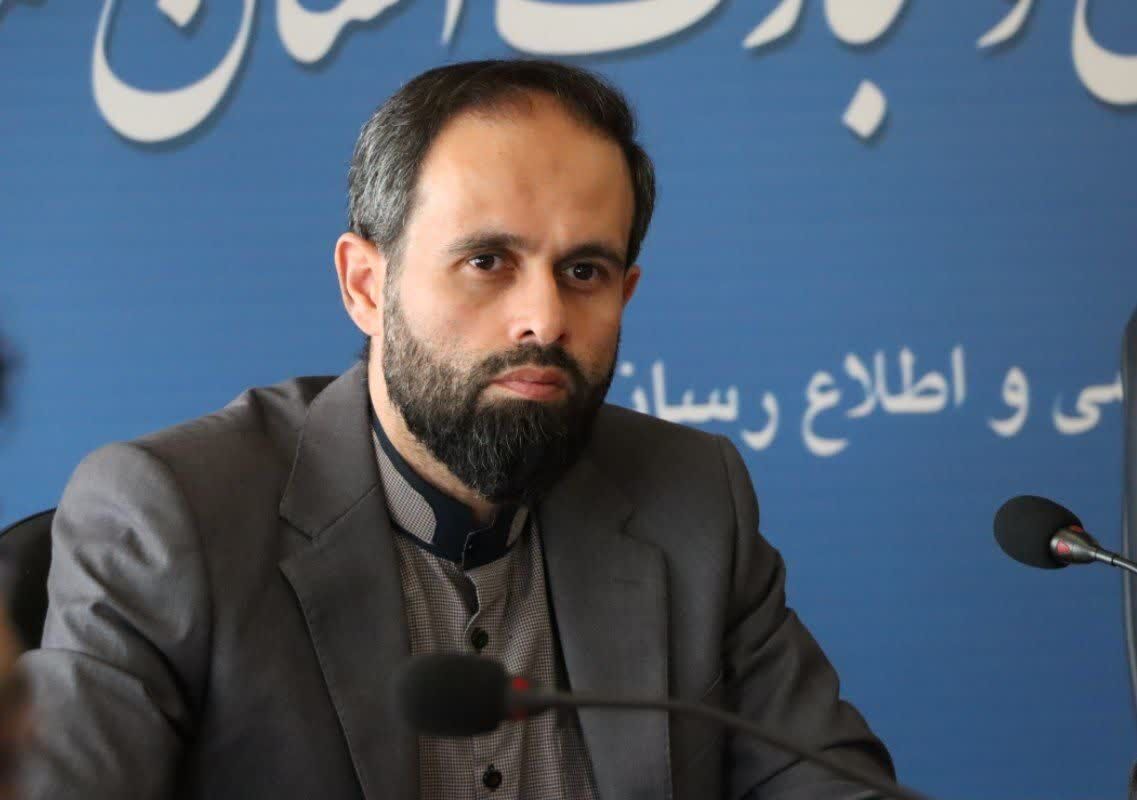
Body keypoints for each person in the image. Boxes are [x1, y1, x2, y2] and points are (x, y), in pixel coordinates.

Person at [20, 60, 893, 799]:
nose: (543, 319)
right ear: (366, 286)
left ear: (625, 293)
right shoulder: (169, 516)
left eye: (583, 271)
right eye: (487, 261)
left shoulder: (689, 498)